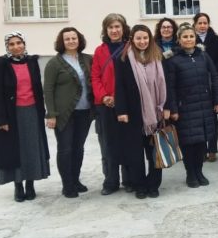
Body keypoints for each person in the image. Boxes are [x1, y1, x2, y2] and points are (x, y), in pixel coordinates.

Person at [0, 32, 50, 202]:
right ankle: (18, 185)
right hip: (13, 114)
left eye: (19, 43)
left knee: (31, 148)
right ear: (7, 47)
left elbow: (38, 89)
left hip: (32, 112)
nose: (16, 47)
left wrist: (42, 111)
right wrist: (2, 119)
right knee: (17, 150)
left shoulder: (32, 62)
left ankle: (30, 184)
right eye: (12, 44)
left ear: (24, 44)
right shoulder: (2, 64)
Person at [165, 23, 218, 187]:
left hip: (204, 106)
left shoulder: (203, 56)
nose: (189, 39)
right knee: (188, 144)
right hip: (185, 109)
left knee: (200, 143)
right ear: (179, 40)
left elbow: (215, 77)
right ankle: (190, 174)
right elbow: (170, 87)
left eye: (191, 36)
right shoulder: (173, 60)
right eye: (185, 37)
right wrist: (174, 108)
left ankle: (199, 172)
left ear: (195, 38)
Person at [114, 25, 167, 199]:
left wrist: (167, 107)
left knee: (154, 153)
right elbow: (119, 87)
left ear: (150, 39)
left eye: (145, 38)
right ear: (132, 40)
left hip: (156, 114)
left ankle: (154, 184)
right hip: (134, 115)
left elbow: (167, 83)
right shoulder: (123, 60)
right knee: (135, 154)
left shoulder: (159, 57)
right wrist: (121, 110)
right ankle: (140, 185)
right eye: (138, 38)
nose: (142, 41)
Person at [44, 27, 94, 198]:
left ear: (79, 40)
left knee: (78, 148)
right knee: (65, 149)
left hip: (84, 111)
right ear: (62, 42)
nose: (71, 41)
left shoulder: (88, 59)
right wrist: (50, 114)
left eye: (74, 38)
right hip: (64, 113)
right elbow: (48, 90)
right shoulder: (54, 63)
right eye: (67, 39)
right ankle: (67, 185)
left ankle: (76, 180)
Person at [91, 13, 132, 195]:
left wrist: (120, 97)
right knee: (108, 144)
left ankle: (129, 179)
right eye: (111, 27)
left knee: (127, 141)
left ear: (123, 29)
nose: (114, 30)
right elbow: (95, 76)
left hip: (126, 103)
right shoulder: (100, 51)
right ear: (105, 30)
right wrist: (104, 96)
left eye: (117, 27)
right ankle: (110, 181)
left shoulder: (130, 49)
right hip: (105, 105)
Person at [193, 12, 218, 163]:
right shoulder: (191, 38)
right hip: (196, 81)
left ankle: (212, 149)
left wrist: (211, 72)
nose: (203, 26)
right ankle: (201, 149)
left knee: (213, 117)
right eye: (200, 23)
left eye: (205, 23)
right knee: (199, 118)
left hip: (212, 80)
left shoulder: (215, 39)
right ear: (195, 24)